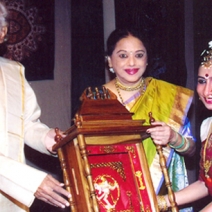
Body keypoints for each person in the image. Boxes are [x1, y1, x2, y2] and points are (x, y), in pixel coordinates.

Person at [102, 28, 196, 211]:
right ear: (109, 61)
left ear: (146, 60)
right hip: (111, 196)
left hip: (159, 196)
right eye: (123, 55)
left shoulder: (168, 95)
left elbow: (192, 150)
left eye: (139, 55)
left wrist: (173, 138)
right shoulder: (95, 99)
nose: (131, 62)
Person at [0, 2, 71, 212]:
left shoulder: (14, 72)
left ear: (3, 32)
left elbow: (28, 124)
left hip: (9, 201)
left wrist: (51, 139)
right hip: (18, 182)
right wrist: (29, 180)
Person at [158, 41, 212, 211]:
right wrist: (162, 201)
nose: (207, 91)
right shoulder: (207, 126)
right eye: (202, 81)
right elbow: (206, 184)